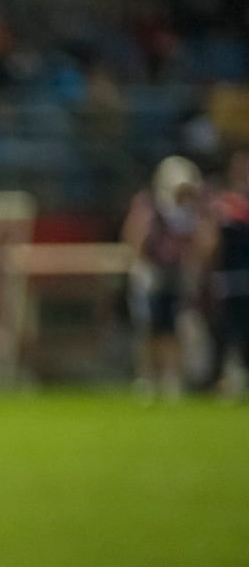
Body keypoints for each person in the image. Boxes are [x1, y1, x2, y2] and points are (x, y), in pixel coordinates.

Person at [123, 156, 204, 401]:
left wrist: (191, 268)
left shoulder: (188, 211)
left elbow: (193, 242)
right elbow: (134, 234)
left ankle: (171, 378)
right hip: (151, 272)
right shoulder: (149, 205)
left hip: (175, 273)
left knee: (173, 328)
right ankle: (147, 378)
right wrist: (139, 266)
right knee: (149, 328)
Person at [201, 148, 249, 399]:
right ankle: (221, 379)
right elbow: (211, 241)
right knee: (224, 331)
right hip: (228, 278)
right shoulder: (224, 203)